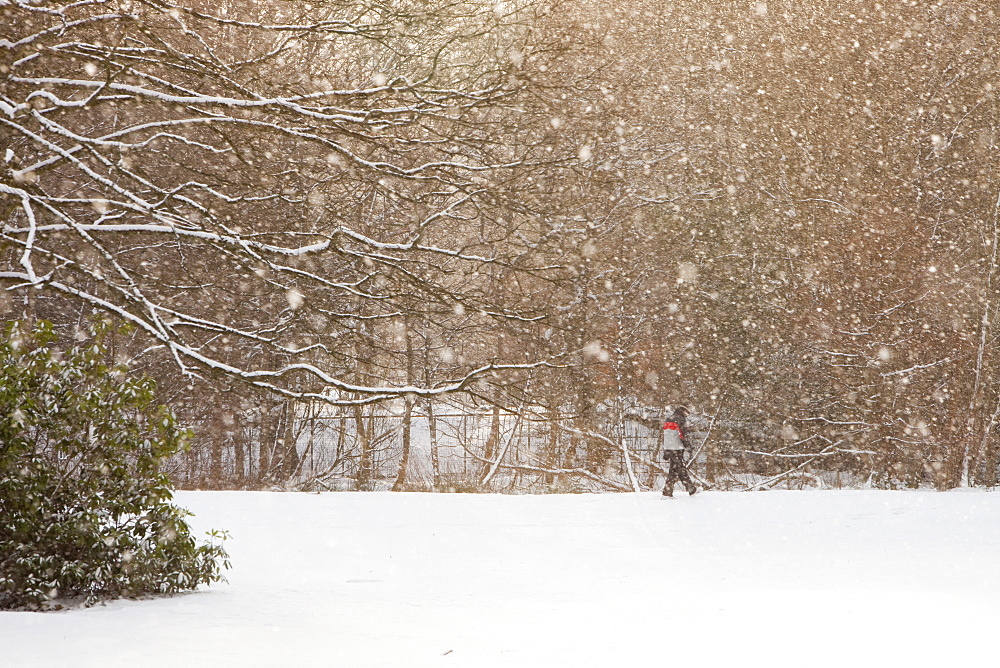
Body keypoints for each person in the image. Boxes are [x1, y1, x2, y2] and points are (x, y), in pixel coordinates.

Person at [660, 406, 698, 498]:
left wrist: (666, 449)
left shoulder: (669, 419)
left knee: (675, 469)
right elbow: (683, 434)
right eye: (687, 412)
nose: (687, 415)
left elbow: (665, 435)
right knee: (679, 469)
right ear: (684, 411)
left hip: (669, 447)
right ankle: (689, 489)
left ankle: (689, 489)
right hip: (677, 447)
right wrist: (688, 446)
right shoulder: (681, 420)